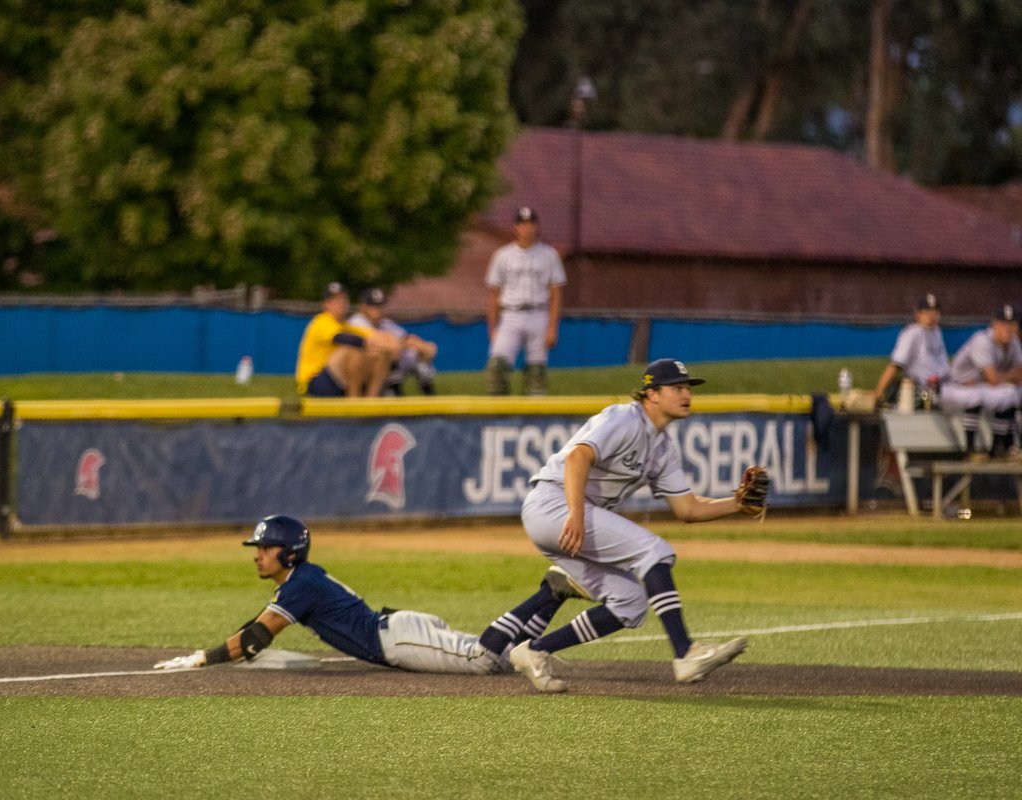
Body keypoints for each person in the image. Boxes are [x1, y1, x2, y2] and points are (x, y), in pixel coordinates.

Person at [479, 359, 756, 693]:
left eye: (688, 388)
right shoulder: (624, 418)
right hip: (552, 505)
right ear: (651, 393)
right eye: (678, 387)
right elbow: (578, 457)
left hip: (568, 516)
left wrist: (737, 504)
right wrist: (576, 514)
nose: (687, 394)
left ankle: (535, 651)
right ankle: (685, 653)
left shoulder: (664, 448)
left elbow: (687, 508)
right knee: (654, 551)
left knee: (630, 603)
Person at [153, 515, 556, 675]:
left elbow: (257, 636)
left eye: (265, 547)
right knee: (503, 660)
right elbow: (257, 627)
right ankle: (551, 597)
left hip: (396, 638)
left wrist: (203, 658)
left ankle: (550, 592)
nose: (257, 555)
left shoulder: (302, 584)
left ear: (288, 552)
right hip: (397, 632)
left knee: (484, 660)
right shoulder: (300, 581)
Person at [485, 206, 566, 396]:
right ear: (515, 227)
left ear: (536, 227)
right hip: (511, 314)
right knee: (497, 366)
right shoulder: (503, 255)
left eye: (530, 224)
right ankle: (499, 416)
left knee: (536, 372)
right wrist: (493, 327)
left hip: (538, 313)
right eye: (522, 224)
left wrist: (553, 327)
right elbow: (493, 294)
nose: (526, 229)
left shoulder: (549, 255)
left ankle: (533, 418)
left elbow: (556, 293)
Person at [295, 282, 403, 398]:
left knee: (380, 354)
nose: (340, 303)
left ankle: (371, 399)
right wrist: (372, 344)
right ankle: (353, 397)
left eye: (343, 299)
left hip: (337, 380)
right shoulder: (321, 322)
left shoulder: (346, 325)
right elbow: (343, 338)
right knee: (354, 349)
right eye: (335, 300)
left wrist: (391, 344)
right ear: (326, 304)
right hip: (315, 380)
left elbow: (375, 336)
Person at [946, 304, 1022, 458]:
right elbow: (993, 379)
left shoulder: (1013, 342)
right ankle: (970, 449)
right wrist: (1010, 375)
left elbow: (1018, 374)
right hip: (956, 388)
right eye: (1003, 324)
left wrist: (1008, 377)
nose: (1007, 328)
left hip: (983, 388)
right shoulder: (982, 340)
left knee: (1012, 393)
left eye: (1011, 324)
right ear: (994, 324)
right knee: (986, 395)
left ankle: (1003, 447)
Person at [348, 287, 439, 396]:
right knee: (388, 352)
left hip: (381, 369)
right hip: (361, 375)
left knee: (414, 353)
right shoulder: (356, 321)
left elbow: (407, 338)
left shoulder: (385, 323)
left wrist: (425, 347)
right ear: (363, 306)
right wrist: (403, 344)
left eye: (380, 305)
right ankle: (390, 390)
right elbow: (386, 345)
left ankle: (429, 395)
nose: (377, 309)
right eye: (373, 305)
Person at [874, 293, 950, 409]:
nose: (932, 315)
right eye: (927, 311)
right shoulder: (912, 333)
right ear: (918, 314)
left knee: (971, 397)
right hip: (921, 391)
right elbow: (895, 365)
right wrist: (878, 393)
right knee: (936, 400)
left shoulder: (937, 332)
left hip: (942, 387)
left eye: (935, 311)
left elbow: (944, 366)